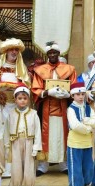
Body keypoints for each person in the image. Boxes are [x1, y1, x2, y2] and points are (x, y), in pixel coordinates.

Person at [32, 41, 77, 176]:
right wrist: (47, 93)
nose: (52, 55)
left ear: (59, 53)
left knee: (63, 135)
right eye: (50, 53)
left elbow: (74, 86)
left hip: (63, 107)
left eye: (54, 53)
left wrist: (68, 94)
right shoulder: (40, 70)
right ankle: (43, 165)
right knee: (46, 136)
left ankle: (64, 164)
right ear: (47, 54)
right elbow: (35, 88)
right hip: (46, 107)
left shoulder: (69, 69)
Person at [0, 38, 31, 177]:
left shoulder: (21, 68)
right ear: (6, 52)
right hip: (1, 107)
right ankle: (0, 165)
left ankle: (13, 166)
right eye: (11, 50)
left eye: (16, 50)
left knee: (15, 136)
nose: (14, 52)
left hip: (16, 107)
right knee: (0, 135)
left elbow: (26, 86)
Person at [66, 82, 95, 186]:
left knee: (87, 166)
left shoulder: (89, 108)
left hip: (87, 143)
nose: (80, 97)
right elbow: (74, 125)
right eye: (77, 94)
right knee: (76, 167)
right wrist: (88, 129)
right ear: (72, 96)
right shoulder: (71, 109)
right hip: (75, 143)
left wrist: (87, 121)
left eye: (82, 94)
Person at [7, 84, 42, 186]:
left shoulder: (33, 113)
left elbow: (37, 131)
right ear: (15, 99)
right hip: (15, 142)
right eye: (20, 98)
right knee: (16, 165)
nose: (22, 101)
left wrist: (36, 147)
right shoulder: (11, 113)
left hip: (29, 142)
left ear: (28, 99)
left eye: (25, 98)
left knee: (29, 165)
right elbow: (7, 129)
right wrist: (8, 146)